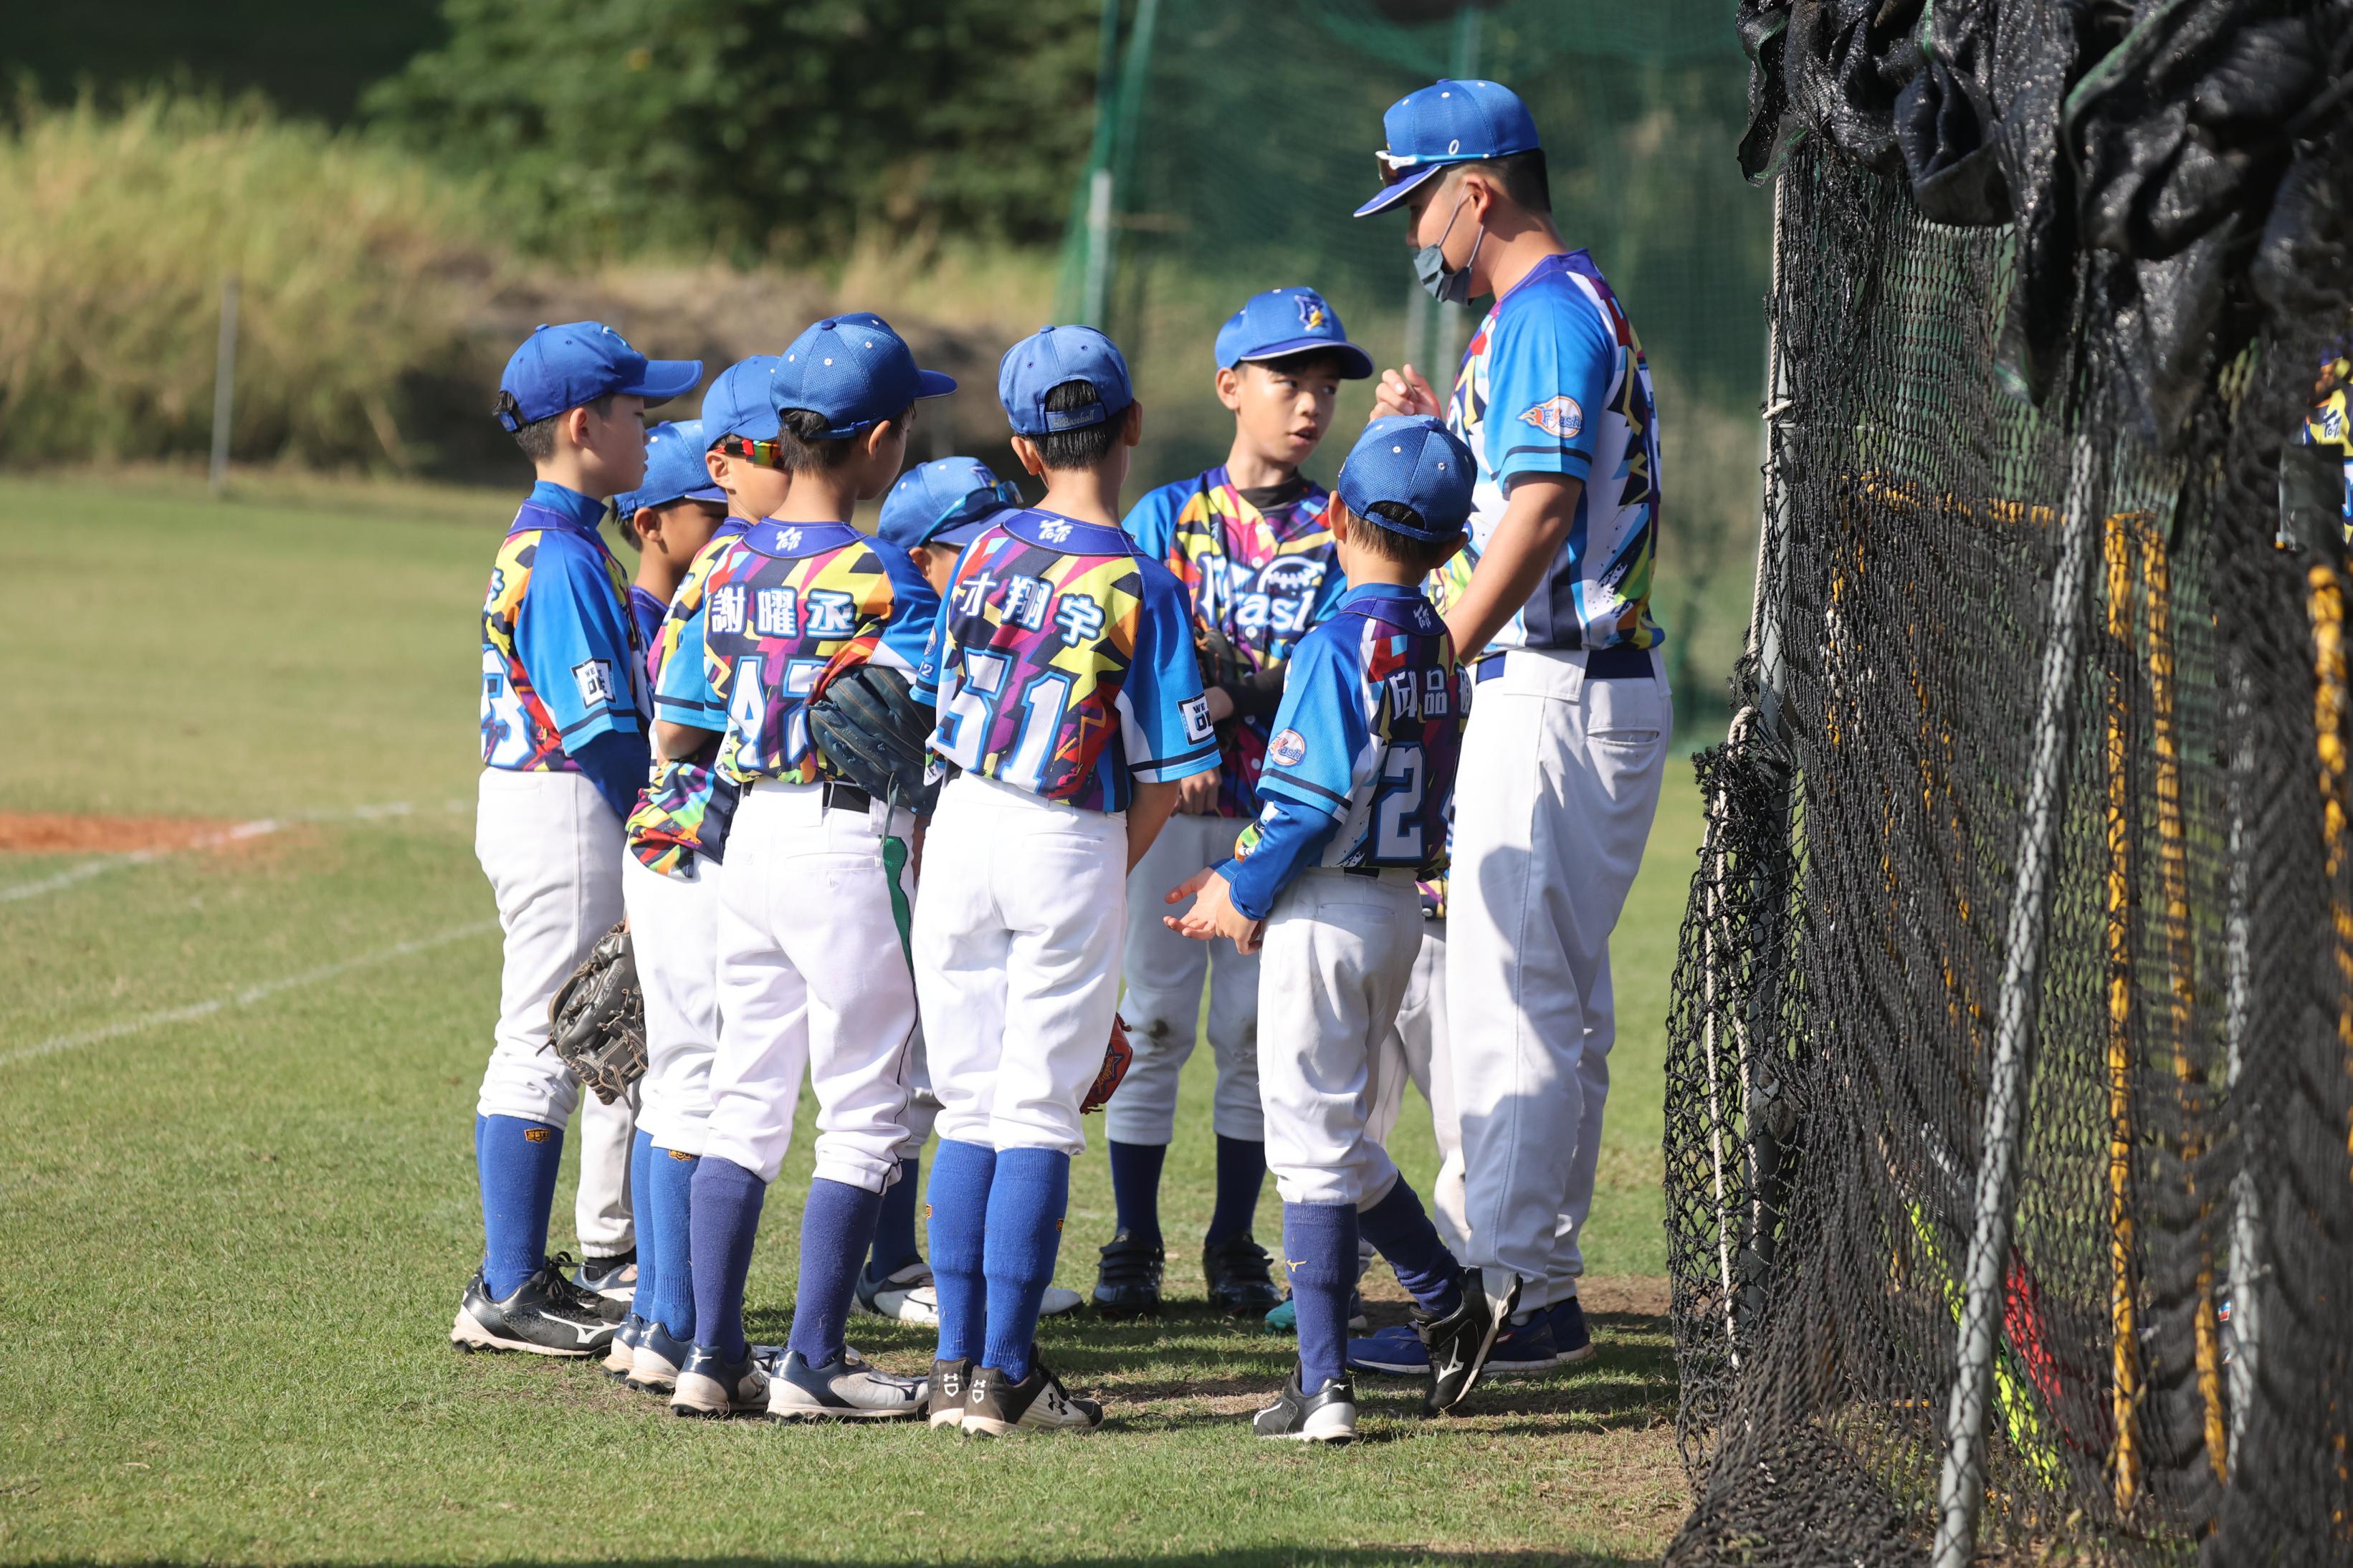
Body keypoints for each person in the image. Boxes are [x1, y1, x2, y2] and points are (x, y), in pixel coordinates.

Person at [1358, 77, 1671, 1387]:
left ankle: (1509, 1294)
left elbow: (1540, 512)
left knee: (1509, 999)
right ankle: (1530, 1281)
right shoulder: (1553, 308)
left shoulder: (1542, 310)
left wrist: (1437, 648)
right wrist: (1433, 435)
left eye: (1417, 205)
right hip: (1576, 683)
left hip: (1552, 683)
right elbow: (1518, 491)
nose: (1413, 236)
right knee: (1553, 1000)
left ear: (1475, 193)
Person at [1165, 413, 1497, 1438]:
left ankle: (1324, 1386)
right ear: (1453, 547)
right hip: (1396, 906)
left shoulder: (1334, 643)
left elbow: (1307, 804)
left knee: (1308, 1144)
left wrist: (1242, 888)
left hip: (1329, 901)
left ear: (1338, 518)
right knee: (1339, 1135)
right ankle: (1446, 1301)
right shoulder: (1439, 643)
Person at [912, 326, 1218, 1435]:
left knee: (967, 1106)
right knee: (1037, 1110)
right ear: (1132, 424)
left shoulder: (983, 549)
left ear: (1024, 449)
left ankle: (951, 1370)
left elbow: (941, 699)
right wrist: (1104, 871)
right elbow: (1174, 776)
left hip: (961, 822)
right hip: (1066, 831)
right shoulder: (1143, 580)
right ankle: (1004, 1377)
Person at [651, 315, 955, 1420]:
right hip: (846, 842)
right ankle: (815, 1361)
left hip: (748, 841)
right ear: (877, 441)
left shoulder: (725, 560)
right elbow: (937, 726)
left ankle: (710, 1354)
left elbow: (678, 725)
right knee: (865, 1104)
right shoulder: (886, 576)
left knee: (742, 1101)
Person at [1096, 287, 1367, 1321]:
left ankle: (1231, 1241)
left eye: (1325, 386)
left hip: (1277, 811)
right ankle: (1134, 1238)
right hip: (1167, 810)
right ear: (1228, 387)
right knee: (1154, 1019)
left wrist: (1225, 702)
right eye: (1286, 380)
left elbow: (1335, 658)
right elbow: (1123, 643)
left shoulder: (1337, 525)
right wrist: (1182, 737)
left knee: (1253, 1033)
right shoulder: (1164, 516)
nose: (1309, 403)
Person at [454, 322, 701, 1357]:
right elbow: (600, 727)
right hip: (561, 801)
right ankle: (508, 1288)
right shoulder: (558, 554)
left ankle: (518, 1277)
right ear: (580, 426)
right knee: (544, 1039)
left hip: (548, 799)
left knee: (560, 1036)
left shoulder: (561, 538)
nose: (648, 428)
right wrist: (655, 817)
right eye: (635, 411)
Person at [848, 456, 1083, 1326]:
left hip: (962, 856)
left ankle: (951, 1267)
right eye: (969, 542)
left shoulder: (979, 614)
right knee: (913, 1065)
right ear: (922, 556)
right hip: (893, 852)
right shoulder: (916, 620)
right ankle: (891, 1267)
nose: (994, 553)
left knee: (959, 1066)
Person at [596, 414, 735, 1392]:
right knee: (691, 1084)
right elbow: (670, 736)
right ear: (652, 520)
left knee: (674, 1084)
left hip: (663, 841)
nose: (723, 524)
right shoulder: (685, 602)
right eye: (708, 509)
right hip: (690, 840)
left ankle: (654, 1316)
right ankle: (670, 1319)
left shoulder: (693, 590)